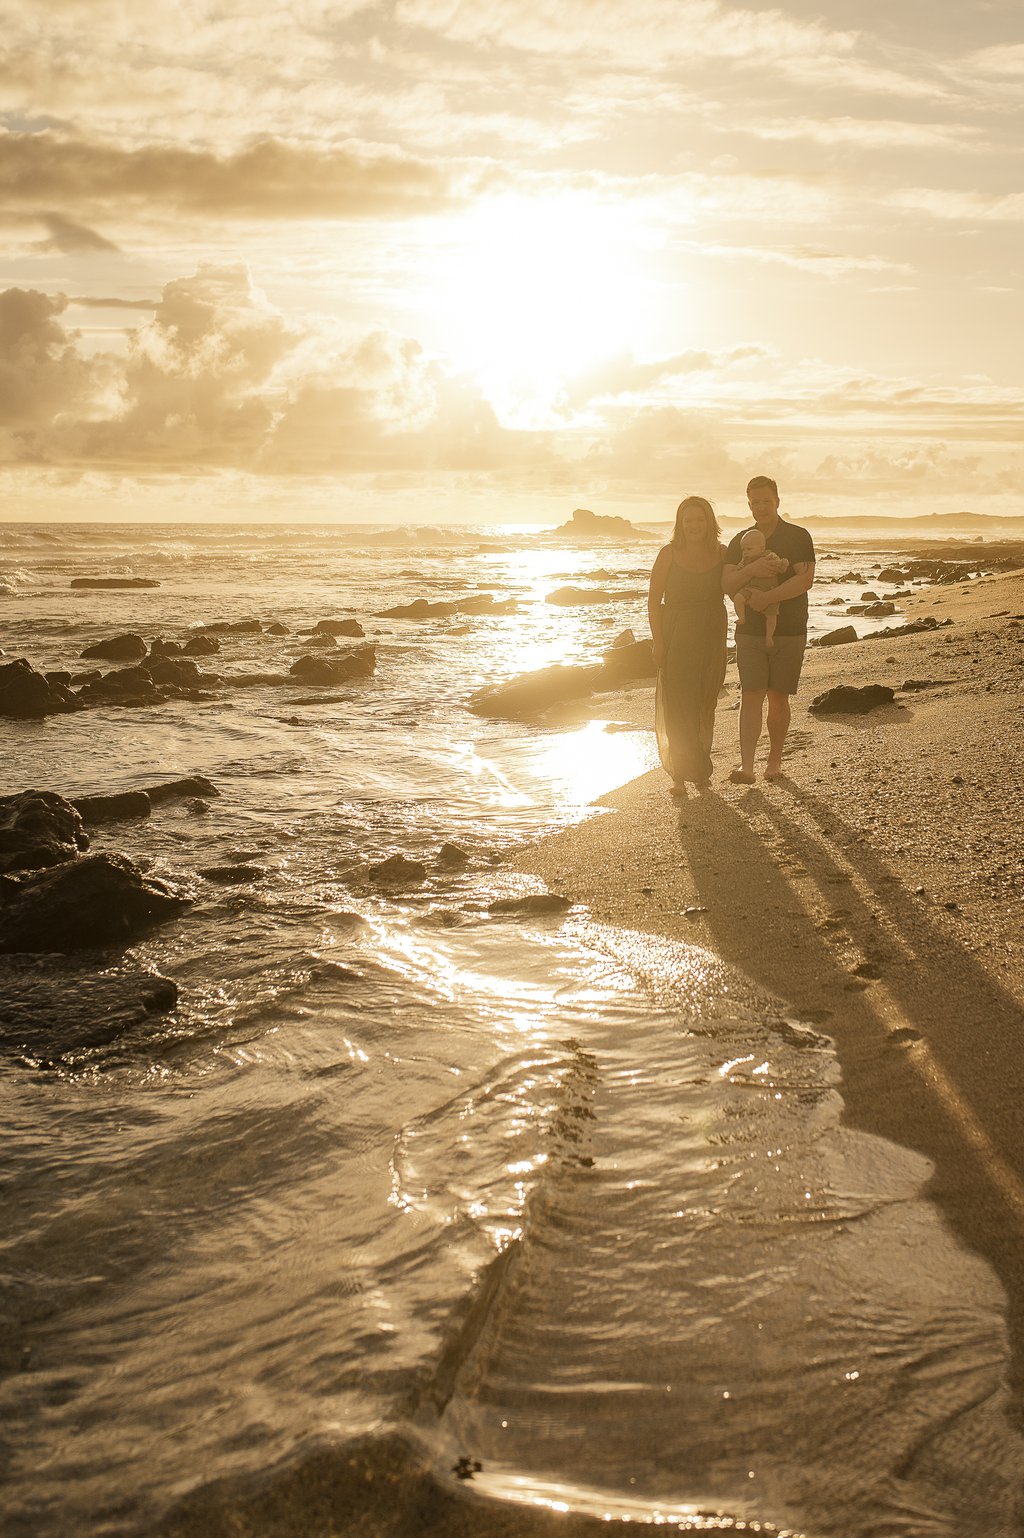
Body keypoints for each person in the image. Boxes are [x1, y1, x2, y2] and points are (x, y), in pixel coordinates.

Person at [722, 475, 815, 783]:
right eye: (755, 502)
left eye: (766, 501)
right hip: (748, 632)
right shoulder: (740, 541)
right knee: (751, 694)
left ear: (777, 501)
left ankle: (774, 762)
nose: (761, 507)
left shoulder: (798, 536)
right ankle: (746, 766)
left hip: (789, 629)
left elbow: (804, 581)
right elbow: (726, 584)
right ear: (749, 505)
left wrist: (766, 597)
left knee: (778, 697)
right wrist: (751, 570)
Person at [648, 494, 728, 794]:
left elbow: (738, 584)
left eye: (700, 519)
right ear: (680, 524)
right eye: (689, 520)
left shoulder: (721, 553)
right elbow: (654, 601)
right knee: (678, 705)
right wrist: (658, 643)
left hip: (712, 636)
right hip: (677, 635)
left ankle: (700, 768)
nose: (695, 525)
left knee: (705, 703)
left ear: (710, 522)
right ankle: (680, 775)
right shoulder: (668, 554)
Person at [730, 527, 788, 649]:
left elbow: (779, 567)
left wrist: (783, 564)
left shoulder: (769, 556)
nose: (745, 552)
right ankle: (741, 617)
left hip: (769, 589)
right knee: (738, 598)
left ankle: (769, 636)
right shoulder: (745, 560)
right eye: (743, 549)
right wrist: (740, 569)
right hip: (750, 589)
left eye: (749, 549)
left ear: (761, 548)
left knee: (771, 616)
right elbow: (738, 572)